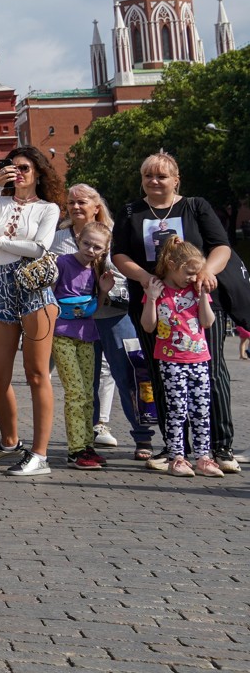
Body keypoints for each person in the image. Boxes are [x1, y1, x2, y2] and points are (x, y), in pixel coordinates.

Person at [112, 152, 238, 473]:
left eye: (161, 176)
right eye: (148, 176)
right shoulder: (131, 211)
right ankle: (174, 448)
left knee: (212, 372)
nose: (154, 181)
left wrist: (207, 271)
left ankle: (220, 447)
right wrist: (142, 276)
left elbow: (221, 245)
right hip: (155, 303)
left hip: (199, 301)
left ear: (176, 179)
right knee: (161, 373)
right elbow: (119, 254)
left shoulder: (195, 206)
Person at [0, 146, 63, 477]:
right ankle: (10, 441)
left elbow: (40, 247)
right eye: (12, 167)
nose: (19, 172)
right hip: (1, 285)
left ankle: (40, 454)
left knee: (37, 373)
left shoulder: (48, 208)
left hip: (34, 288)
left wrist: (0, 243)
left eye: (24, 167)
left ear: (38, 172)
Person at [55, 186, 142, 455]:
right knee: (84, 382)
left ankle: (143, 436)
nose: (75, 207)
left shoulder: (114, 234)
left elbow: (124, 271)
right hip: (75, 322)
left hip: (114, 313)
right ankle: (87, 438)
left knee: (128, 373)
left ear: (96, 206)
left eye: (82, 202)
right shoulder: (58, 237)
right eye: (70, 202)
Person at [142, 241, 219, 477]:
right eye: (188, 272)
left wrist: (203, 295)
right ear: (172, 265)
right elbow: (148, 326)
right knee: (177, 409)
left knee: (201, 410)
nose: (192, 278)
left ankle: (203, 456)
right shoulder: (159, 291)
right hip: (171, 361)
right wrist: (152, 299)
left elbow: (207, 322)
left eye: (196, 273)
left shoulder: (196, 290)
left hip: (198, 359)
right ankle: (177, 456)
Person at [51, 222, 113, 469]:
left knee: (88, 394)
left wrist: (103, 292)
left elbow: (94, 308)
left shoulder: (97, 270)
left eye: (97, 246)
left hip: (87, 335)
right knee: (75, 392)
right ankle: (76, 450)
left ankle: (88, 445)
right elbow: (48, 295)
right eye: (87, 243)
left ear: (105, 249)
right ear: (78, 239)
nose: (90, 249)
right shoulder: (62, 262)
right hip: (61, 334)